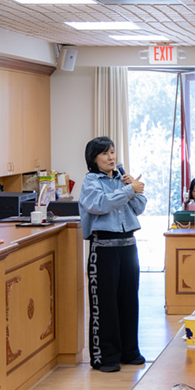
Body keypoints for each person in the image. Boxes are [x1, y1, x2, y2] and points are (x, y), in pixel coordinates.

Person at [78, 136, 147, 373]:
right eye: (105, 153)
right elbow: (99, 204)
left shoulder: (121, 179)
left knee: (129, 301)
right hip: (104, 249)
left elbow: (139, 208)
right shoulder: (91, 181)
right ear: (94, 158)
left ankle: (130, 351)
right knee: (105, 304)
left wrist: (132, 188)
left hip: (128, 246)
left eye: (113, 152)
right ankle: (105, 356)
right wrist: (128, 190)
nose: (111, 157)